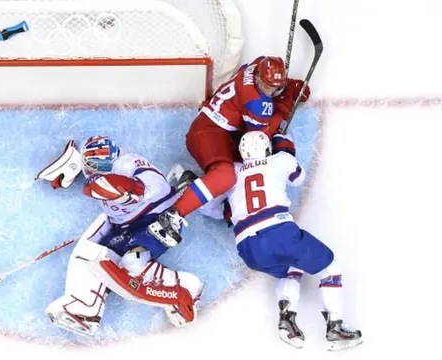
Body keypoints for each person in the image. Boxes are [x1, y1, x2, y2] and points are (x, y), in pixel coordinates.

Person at [196, 131, 362, 351]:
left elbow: (207, 206)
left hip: (248, 249)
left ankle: (287, 321)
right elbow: (297, 177)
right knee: (331, 268)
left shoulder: (232, 173)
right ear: (267, 148)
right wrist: (286, 145)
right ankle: (336, 327)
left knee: (291, 268)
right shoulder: (280, 159)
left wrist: (229, 211)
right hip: (279, 232)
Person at [35, 136, 204, 337]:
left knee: (132, 265)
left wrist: (118, 189)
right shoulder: (101, 154)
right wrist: (67, 167)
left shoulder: (129, 166)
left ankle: (187, 288)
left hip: (155, 223)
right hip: (123, 225)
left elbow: (144, 189)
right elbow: (82, 152)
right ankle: (85, 309)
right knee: (90, 249)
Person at [147, 56, 310, 248]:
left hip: (218, 129)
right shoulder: (257, 104)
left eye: (274, 87)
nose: (270, 91)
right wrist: (284, 106)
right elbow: (259, 134)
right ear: (258, 78)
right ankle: (171, 215)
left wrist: (289, 87)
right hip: (208, 133)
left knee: (245, 174)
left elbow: (252, 77)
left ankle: (187, 181)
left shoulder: (256, 65)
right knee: (227, 176)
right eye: (267, 86)